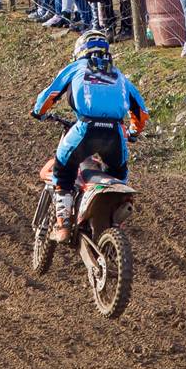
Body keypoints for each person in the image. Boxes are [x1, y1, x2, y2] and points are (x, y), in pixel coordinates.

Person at [30, 31, 149, 243]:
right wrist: (132, 132)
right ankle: (113, 216)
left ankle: (63, 223)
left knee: (63, 169)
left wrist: (39, 111)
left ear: (80, 50)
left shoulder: (76, 67)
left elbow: (50, 94)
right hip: (115, 133)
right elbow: (141, 112)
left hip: (86, 128)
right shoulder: (120, 76)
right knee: (118, 173)